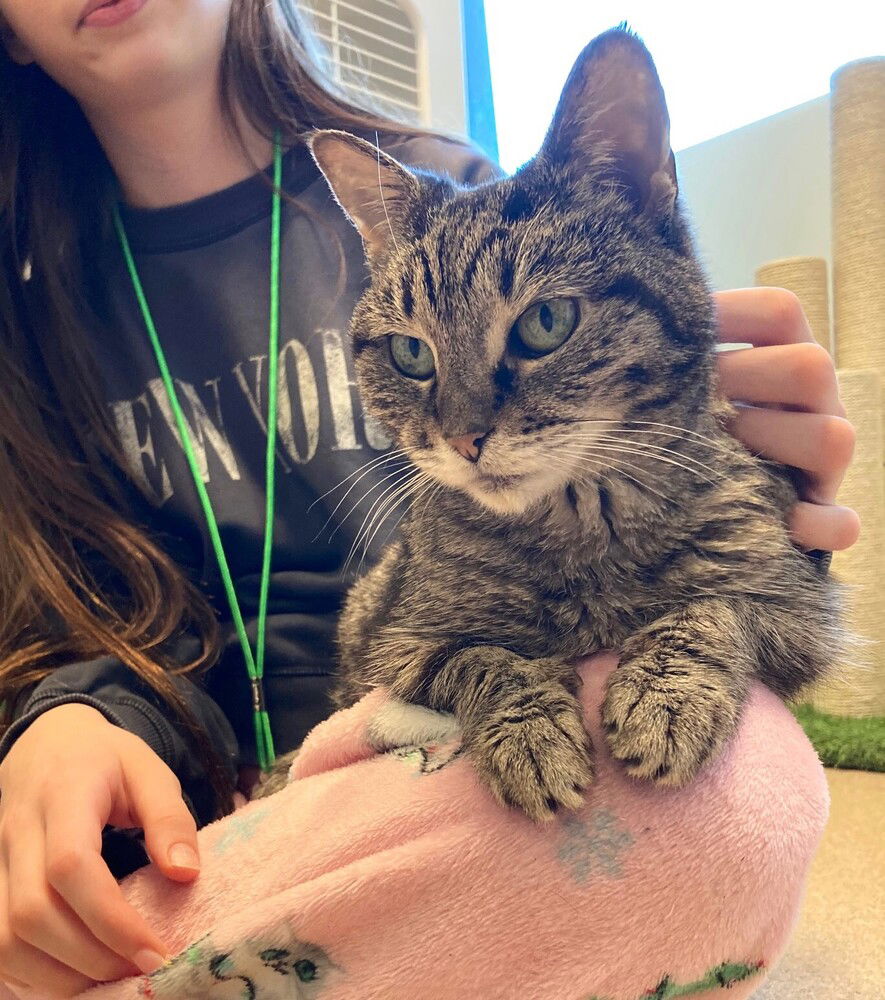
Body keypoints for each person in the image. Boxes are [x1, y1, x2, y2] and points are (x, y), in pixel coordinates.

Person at [0, 1, 859, 996]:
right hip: (179, 791)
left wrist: (767, 508)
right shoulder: (27, 310)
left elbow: (773, 613)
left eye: (532, 333)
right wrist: (56, 713)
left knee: (740, 791)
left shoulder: (451, 198)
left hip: (406, 783)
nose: (465, 427)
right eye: (414, 358)